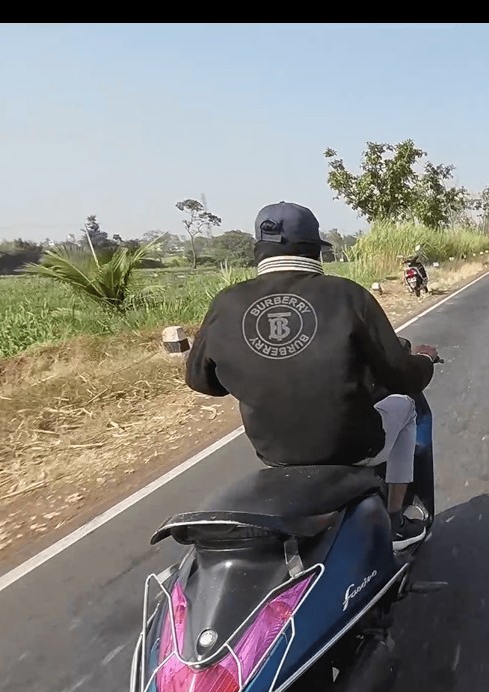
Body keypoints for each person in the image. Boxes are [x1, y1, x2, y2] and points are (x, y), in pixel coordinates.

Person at [184, 201, 438, 550]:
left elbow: (202, 381)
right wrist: (424, 359)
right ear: (315, 249)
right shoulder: (347, 295)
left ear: (259, 250)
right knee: (407, 408)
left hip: (274, 453)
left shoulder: (226, 302)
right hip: (353, 446)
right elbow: (402, 378)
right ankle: (395, 519)